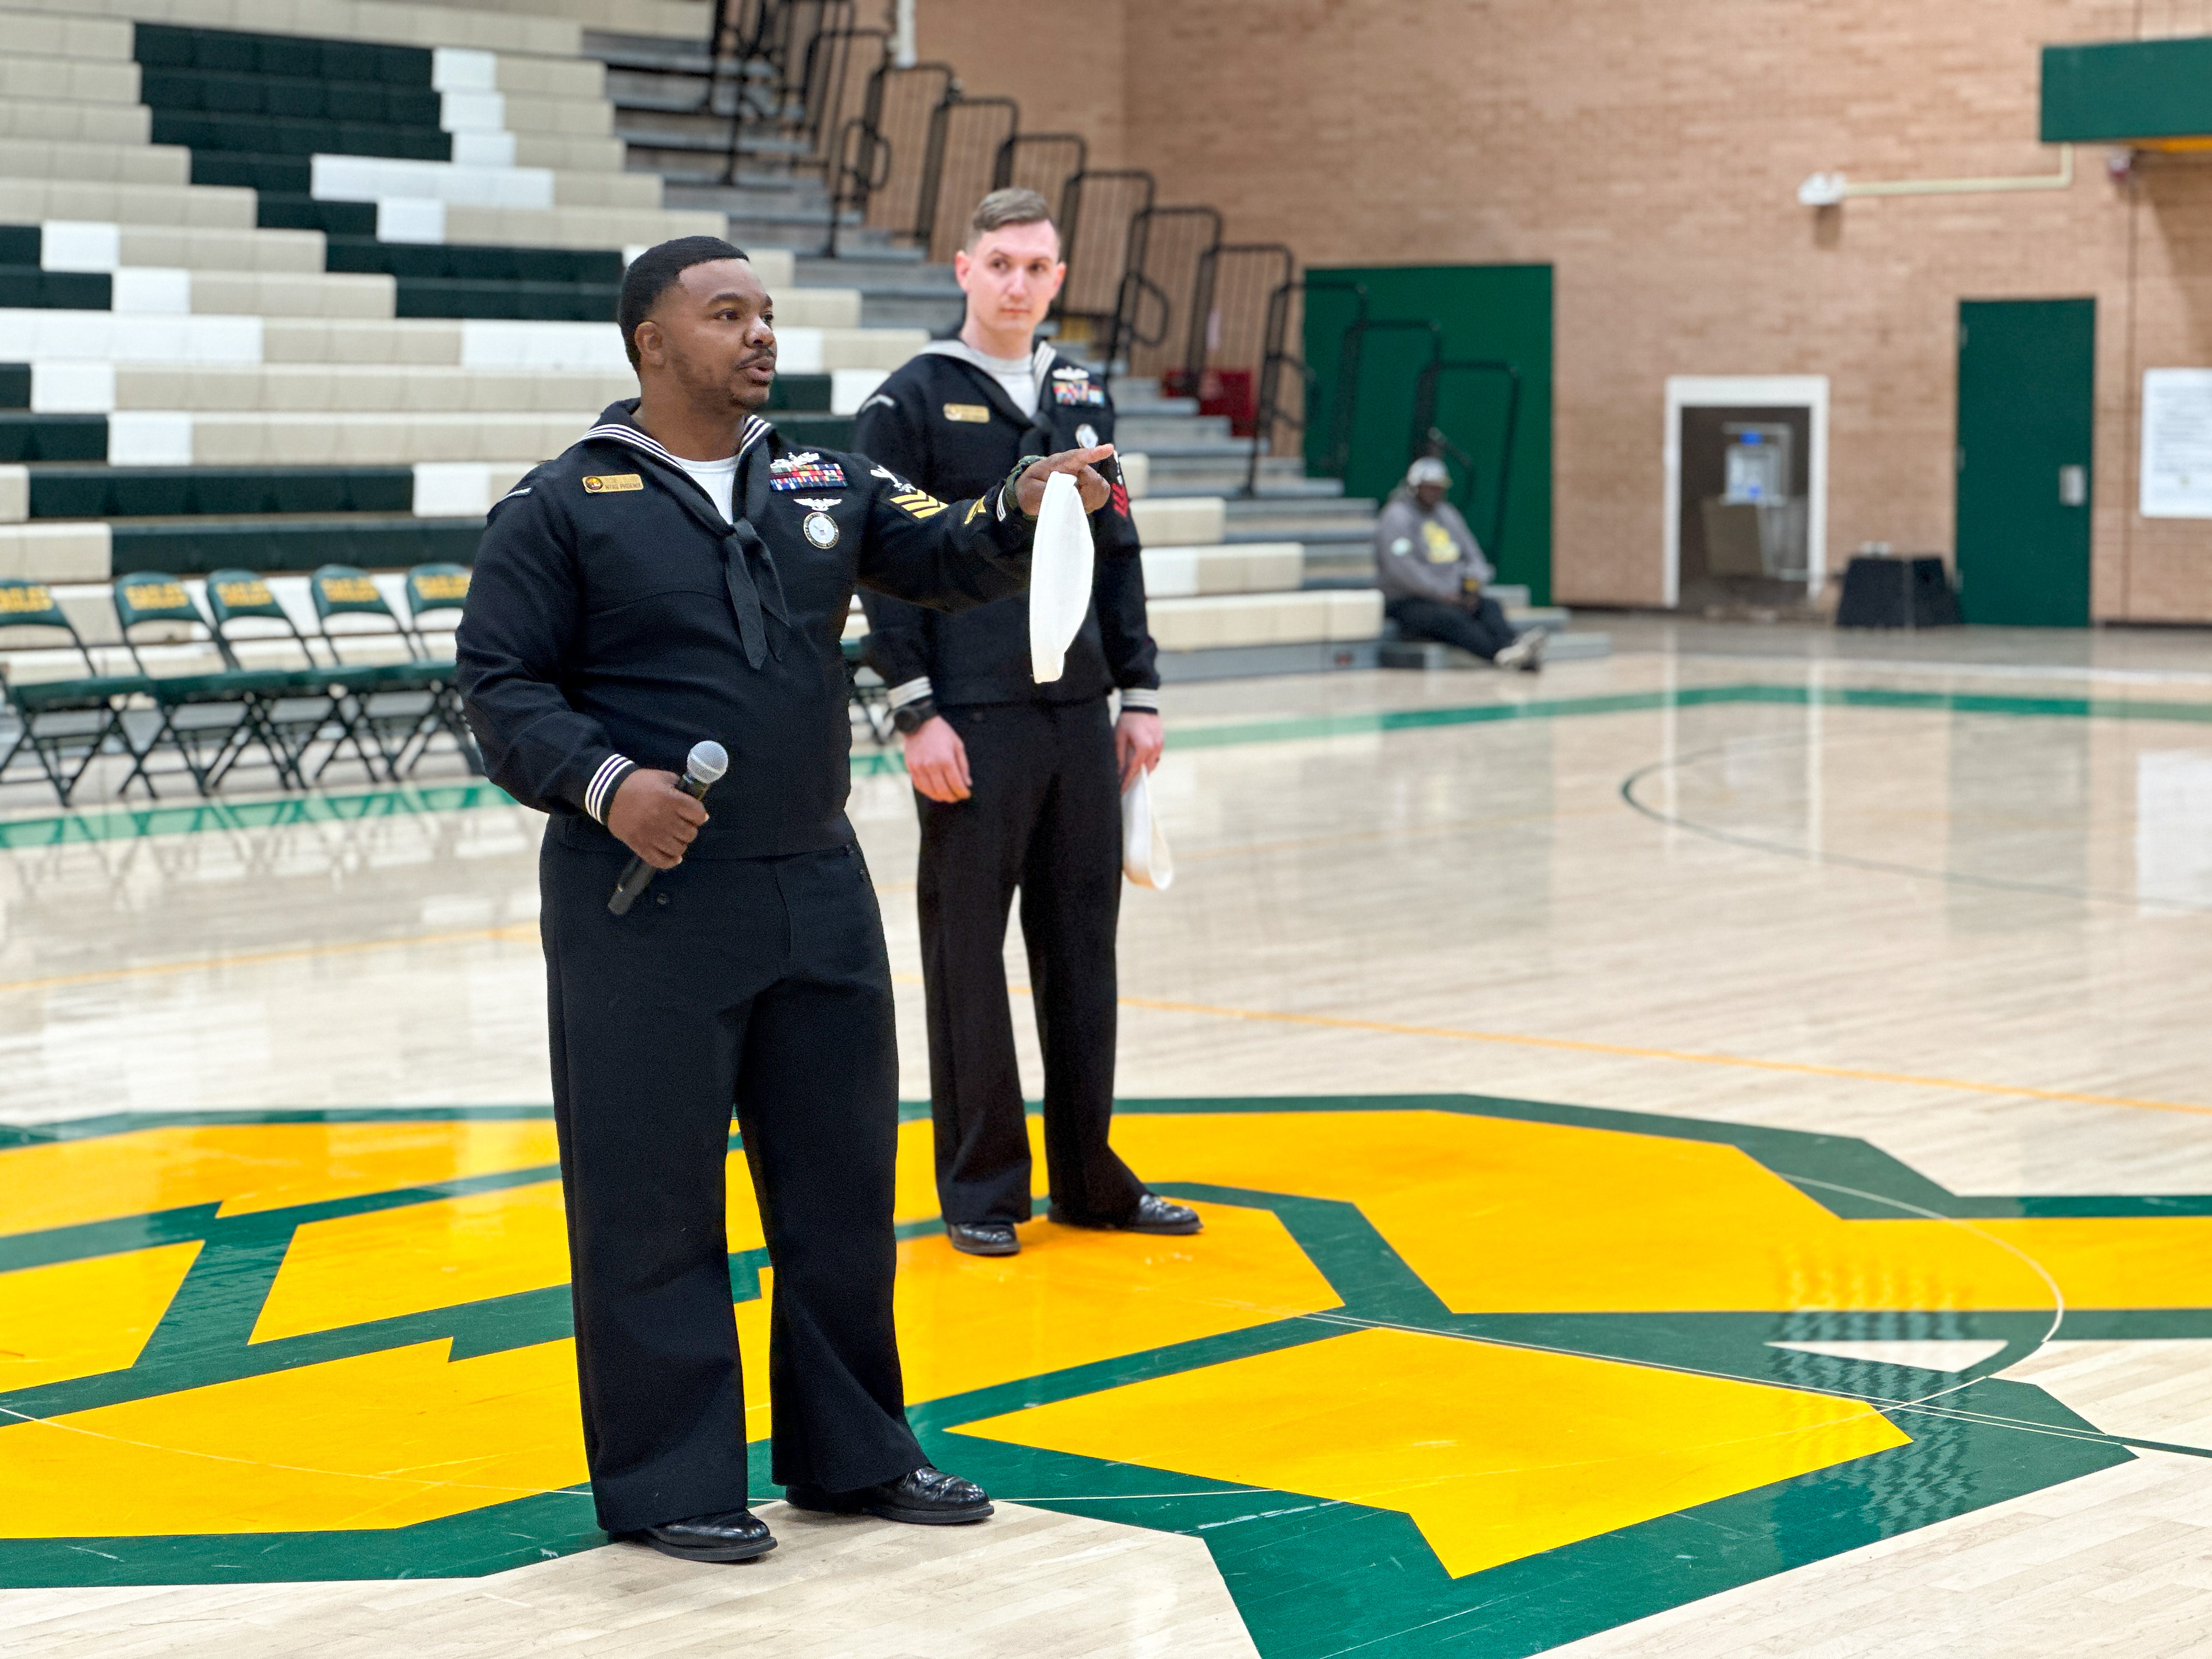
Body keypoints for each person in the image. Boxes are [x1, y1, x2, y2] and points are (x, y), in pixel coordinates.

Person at [455, 235, 1118, 1566]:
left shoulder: (820, 472)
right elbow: (499, 685)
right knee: (649, 1201)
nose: (759, 335)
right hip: (644, 895)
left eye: (765, 313)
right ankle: (668, 1481)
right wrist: (602, 781)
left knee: (837, 1188)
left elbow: (936, 554)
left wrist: (1024, 502)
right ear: (651, 342)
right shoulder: (564, 501)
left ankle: (855, 1455)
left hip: (814, 876)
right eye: (725, 315)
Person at [854, 188, 1200, 1259]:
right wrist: (915, 710)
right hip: (972, 717)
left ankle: (1091, 1180)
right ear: (963, 269)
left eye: (1038, 268)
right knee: (968, 956)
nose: (1018, 284)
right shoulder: (909, 400)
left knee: (1081, 951)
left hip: (1078, 716)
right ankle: (982, 1187)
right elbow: (883, 564)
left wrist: (1137, 692)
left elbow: (1121, 551)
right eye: (1000, 263)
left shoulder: (1082, 392)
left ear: (1058, 277)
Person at [1375, 456, 1543, 672]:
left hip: (1452, 594)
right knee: (1451, 619)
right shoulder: (1396, 517)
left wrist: (1471, 588)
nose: (1435, 493)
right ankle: (1501, 654)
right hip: (1409, 599)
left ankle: (1513, 646)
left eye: (1439, 488)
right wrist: (1441, 593)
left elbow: (1473, 555)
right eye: (1430, 488)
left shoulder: (1448, 514)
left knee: (1489, 607)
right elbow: (1402, 569)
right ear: (1415, 487)